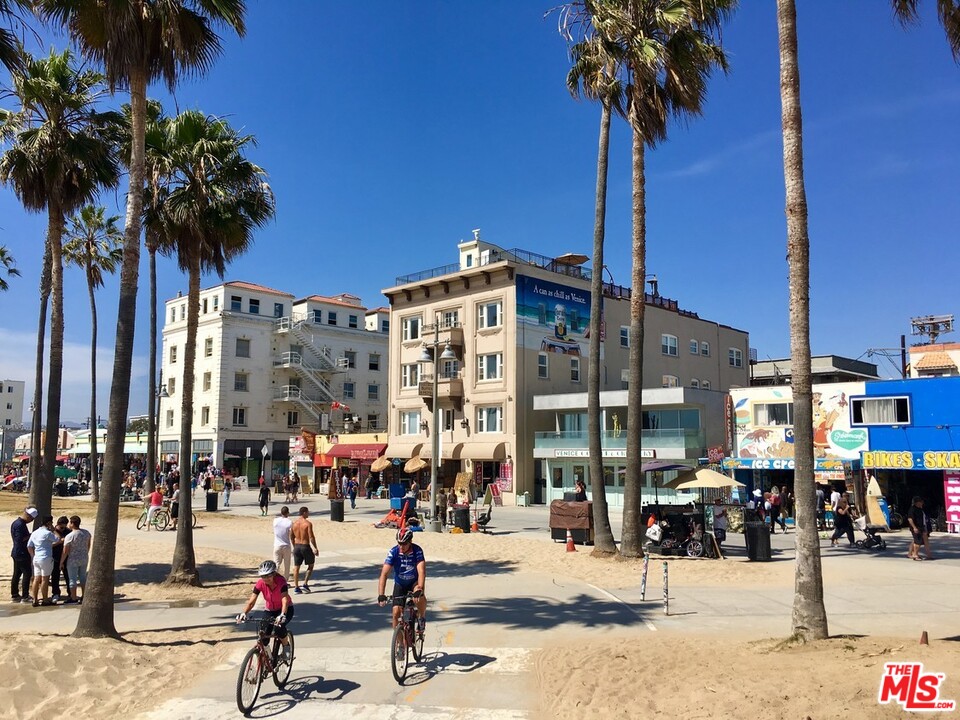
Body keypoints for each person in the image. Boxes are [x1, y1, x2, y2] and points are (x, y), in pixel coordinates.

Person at [236, 560, 294, 659]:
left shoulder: (281, 582)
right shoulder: (260, 583)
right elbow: (252, 601)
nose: (265, 579)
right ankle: (268, 657)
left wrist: (282, 614)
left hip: (285, 609)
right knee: (263, 635)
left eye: (268, 576)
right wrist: (244, 613)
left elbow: (284, 599)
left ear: (274, 573)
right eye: (263, 576)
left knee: (279, 629)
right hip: (270, 610)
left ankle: (286, 646)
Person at [377, 527, 427, 633]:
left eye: (404, 544)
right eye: (399, 543)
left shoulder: (417, 550)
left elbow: (421, 572)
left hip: (414, 582)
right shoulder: (394, 552)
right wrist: (381, 594)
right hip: (400, 583)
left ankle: (421, 617)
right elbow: (384, 574)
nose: (401, 546)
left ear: (410, 542)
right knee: (395, 613)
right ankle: (399, 645)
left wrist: (420, 589)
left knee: (419, 591)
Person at [27, 515, 59, 606]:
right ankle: (45, 599)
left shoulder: (35, 533)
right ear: (49, 523)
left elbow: (29, 546)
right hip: (46, 557)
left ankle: (35, 599)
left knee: (36, 579)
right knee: (45, 579)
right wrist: (53, 530)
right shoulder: (47, 533)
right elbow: (58, 538)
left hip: (36, 558)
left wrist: (33, 556)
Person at [60, 515, 91, 604]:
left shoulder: (70, 536)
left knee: (72, 579)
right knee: (82, 577)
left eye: (70, 522)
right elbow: (88, 544)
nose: (68, 524)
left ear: (72, 524)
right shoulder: (86, 533)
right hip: (84, 557)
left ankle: (73, 597)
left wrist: (61, 562)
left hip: (73, 559)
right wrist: (85, 552)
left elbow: (65, 551)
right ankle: (84, 595)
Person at [11, 506, 37, 604]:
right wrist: (31, 535)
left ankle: (15, 595)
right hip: (21, 553)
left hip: (16, 552)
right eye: (31, 519)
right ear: (27, 515)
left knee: (17, 574)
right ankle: (25, 596)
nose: (31, 521)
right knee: (27, 573)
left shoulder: (17, 523)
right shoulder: (20, 525)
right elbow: (19, 539)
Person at [291, 507, 319, 594]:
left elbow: (291, 537)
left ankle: (296, 587)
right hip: (305, 546)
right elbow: (311, 537)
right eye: (307, 512)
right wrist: (315, 548)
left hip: (297, 546)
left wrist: (294, 546)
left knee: (296, 567)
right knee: (311, 565)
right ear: (304, 513)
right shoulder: (308, 524)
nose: (308, 514)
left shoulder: (294, 524)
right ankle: (305, 583)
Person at [50, 516, 70, 603]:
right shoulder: (52, 532)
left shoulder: (68, 532)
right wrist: (59, 542)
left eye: (64, 527)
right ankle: (55, 593)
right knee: (55, 576)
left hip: (66, 557)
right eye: (60, 527)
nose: (62, 529)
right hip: (55, 557)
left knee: (68, 576)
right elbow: (49, 545)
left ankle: (70, 593)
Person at [273, 506, 293, 580]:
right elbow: (291, 534)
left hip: (277, 544)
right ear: (287, 513)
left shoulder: (275, 521)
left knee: (276, 564)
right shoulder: (289, 522)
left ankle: (273, 578)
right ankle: (285, 580)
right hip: (286, 545)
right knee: (287, 564)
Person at [907, 496, 926, 561]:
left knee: (917, 541)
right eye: (920, 502)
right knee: (918, 542)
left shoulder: (920, 509)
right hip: (916, 527)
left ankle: (912, 553)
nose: (922, 503)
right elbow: (910, 519)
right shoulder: (912, 509)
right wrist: (914, 527)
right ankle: (915, 554)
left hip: (920, 527)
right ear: (917, 502)